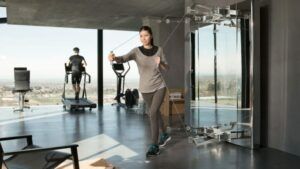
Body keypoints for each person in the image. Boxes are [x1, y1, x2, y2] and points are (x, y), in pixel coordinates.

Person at [108, 26, 171, 157]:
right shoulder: (136, 51)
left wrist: (161, 63)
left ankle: (154, 145)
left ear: (151, 36)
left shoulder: (159, 50)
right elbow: (123, 58)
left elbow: (167, 68)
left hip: (159, 86)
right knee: (155, 112)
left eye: (146, 35)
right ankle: (164, 133)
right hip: (145, 89)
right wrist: (113, 58)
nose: (144, 38)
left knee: (152, 112)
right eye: (141, 36)